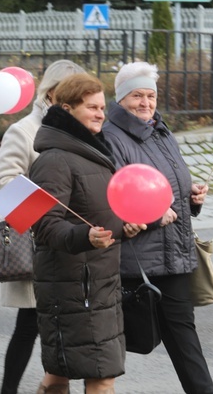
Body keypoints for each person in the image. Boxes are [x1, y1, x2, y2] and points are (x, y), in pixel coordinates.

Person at [103, 61, 213, 394]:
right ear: (121, 98)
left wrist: (192, 197)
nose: (145, 103)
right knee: (108, 344)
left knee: (184, 338)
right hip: (137, 263)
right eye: (137, 96)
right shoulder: (112, 139)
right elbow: (116, 198)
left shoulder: (161, 132)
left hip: (174, 256)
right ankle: (57, 382)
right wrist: (153, 217)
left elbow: (169, 187)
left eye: (150, 96)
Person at [29, 73, 137, 394]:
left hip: (100, 283)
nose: (101, 114)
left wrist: (125, 228)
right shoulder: (53, 160)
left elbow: (99, 216)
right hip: (73, 287)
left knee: (59, 376)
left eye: (102, 107)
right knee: (99, 376)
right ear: (67, 108)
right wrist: (84, 237)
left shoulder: (96, 153)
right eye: (92, 107)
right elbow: (45, 225)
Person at [0, 59, 85, 394]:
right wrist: (49, 218)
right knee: (30, 324)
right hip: (40, 245)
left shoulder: (81, 130)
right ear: (53, 93)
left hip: (72, 246)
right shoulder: (24, 131)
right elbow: (3, 187)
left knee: (66, 327)